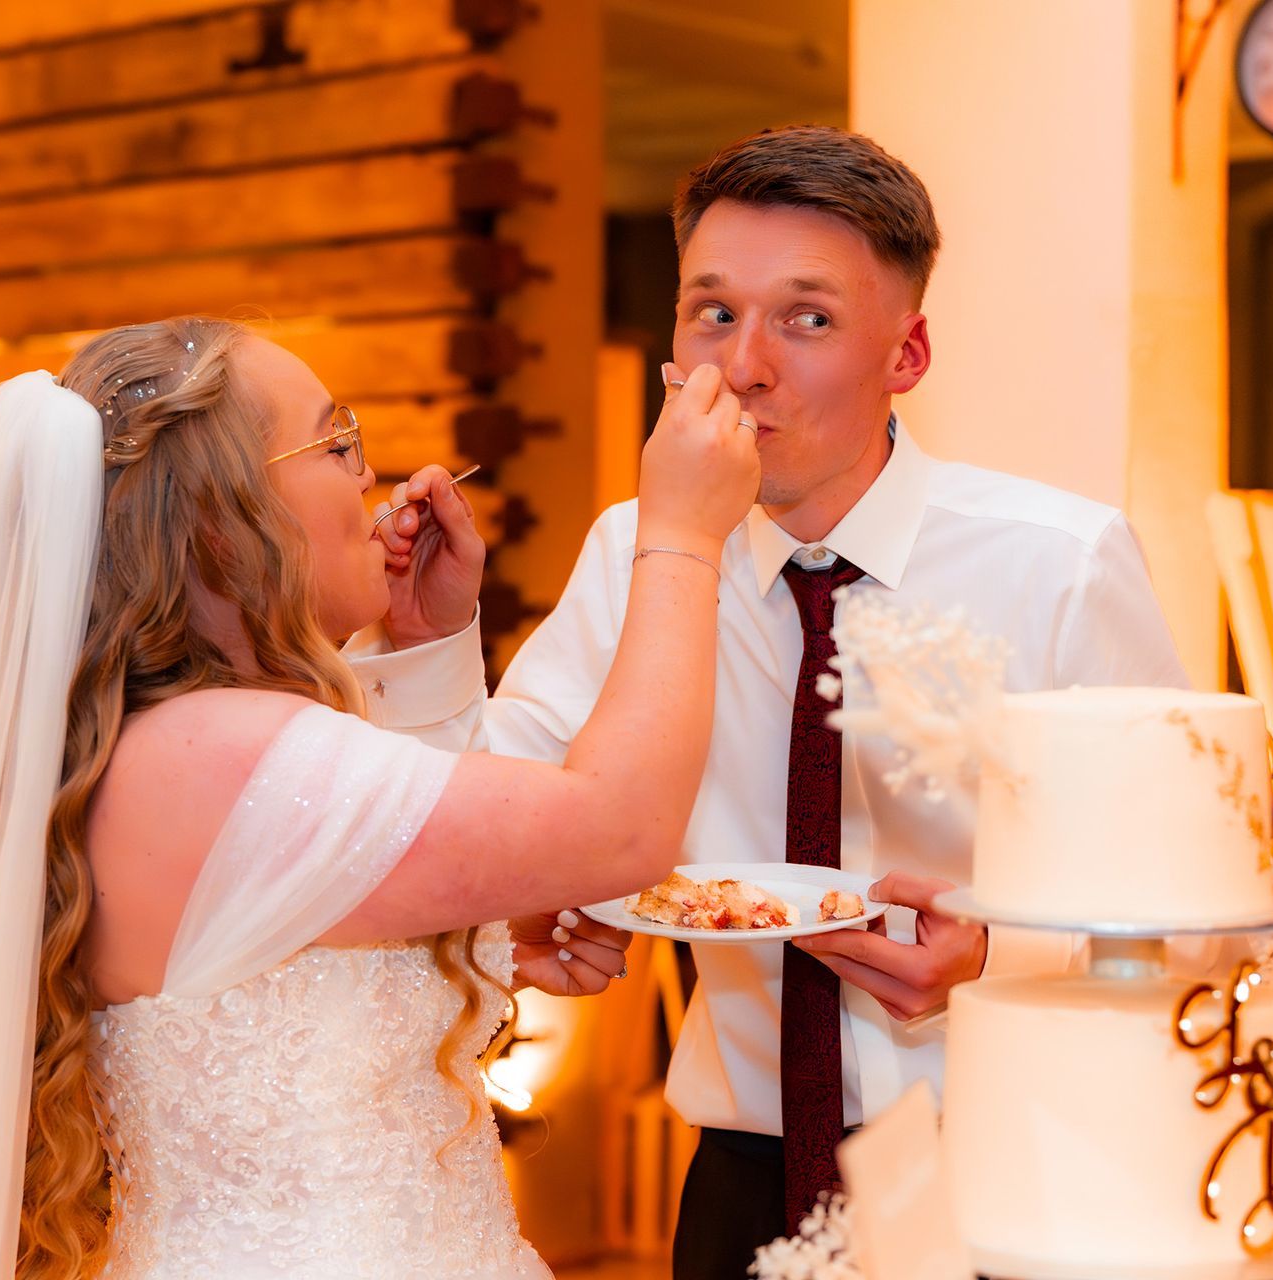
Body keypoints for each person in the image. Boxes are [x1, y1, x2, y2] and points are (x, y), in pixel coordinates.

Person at [362, 125, 1188, 1275]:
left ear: (907, 353)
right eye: (712, 313)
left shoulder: (1060, 560)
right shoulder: (637, 554)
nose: (743, 366)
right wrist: (436, 640)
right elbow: (501, 813)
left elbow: (1192, 906)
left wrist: (996, 952)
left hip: (1013, 1163)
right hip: (742, 1177)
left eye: (807, 318)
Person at [0, 317, 761, 1279]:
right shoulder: (222, 752)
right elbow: (620, 828)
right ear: (222, 515)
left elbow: (312, 926)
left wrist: (424, 652)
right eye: (334, 439)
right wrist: (679, 533)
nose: (367, 476)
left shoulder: (164, 743)